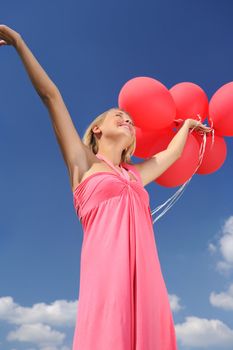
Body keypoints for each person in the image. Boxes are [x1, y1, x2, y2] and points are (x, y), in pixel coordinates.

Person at [0, 24, 212, 350]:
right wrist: (18, 42)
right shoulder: (83, 164)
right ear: (97, 129)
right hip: (107, 276)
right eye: (119, 115)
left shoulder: (135, 175)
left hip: (148, 280)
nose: (127, 119)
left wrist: (185, 126)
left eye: (130, 119)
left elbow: (170, 155)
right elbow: (51, 96)